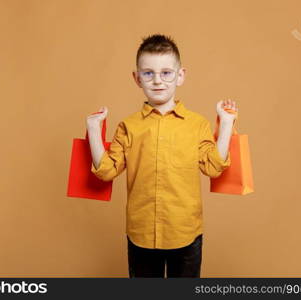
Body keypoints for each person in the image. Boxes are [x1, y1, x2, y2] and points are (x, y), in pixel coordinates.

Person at [86, 34, 237, 278]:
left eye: (166, 73)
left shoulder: (197, 124)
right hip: (141, 234)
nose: (157, 81)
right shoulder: (128, 126)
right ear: (137, 78)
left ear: (180, 76)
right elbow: (106, 171)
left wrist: (227, 123)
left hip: (186, 232)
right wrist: (93, 129)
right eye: (148, 73)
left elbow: (213, 167)